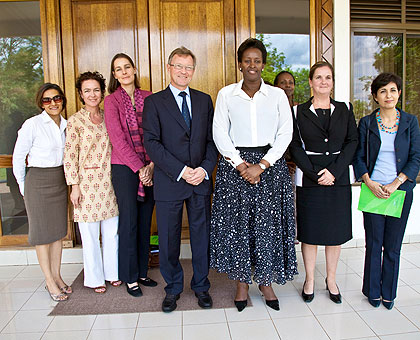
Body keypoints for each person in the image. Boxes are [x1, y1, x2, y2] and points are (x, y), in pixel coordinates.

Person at [210, 38, 298, 312]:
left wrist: (262, 165)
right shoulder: (226, 94)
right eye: (247, 60)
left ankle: (266, 281)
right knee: (238, 228)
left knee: (267, 227)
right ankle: (241, 284)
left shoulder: (277, 95)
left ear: (263, 64)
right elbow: (219, 133)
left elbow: (286, 132)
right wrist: (241, 165)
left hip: (269, 167)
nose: (252, 65)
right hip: (234, 167)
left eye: (257, 60)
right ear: (239, 64)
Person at [143, 46, 218, 313]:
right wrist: (181, 170)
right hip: (170, 181)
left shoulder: (204, 100)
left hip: (200, 182)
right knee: (168, 239)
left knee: (201, 237)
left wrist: (204, 169)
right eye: (178, 66)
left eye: (188, 67)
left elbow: (212, 141)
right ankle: (172, 288)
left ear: (193, 70)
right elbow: (151, 143)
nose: (183, 71)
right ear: (169, 68)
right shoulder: (154, 102)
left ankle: (201, 286)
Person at [289, 61, 358, 304]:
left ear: (332, 82)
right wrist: (314, 173)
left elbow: (352, 142)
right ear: (310, 81)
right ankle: (310, 279)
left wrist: (335, 172)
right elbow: (294, 146)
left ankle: (331, 279)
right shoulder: (298, 111)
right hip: (310, 180)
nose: (323, 82)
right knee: (310, 232)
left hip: (338, 179)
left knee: (335, 232)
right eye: (318, 77)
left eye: (328, 77)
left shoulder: (345, 108)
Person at [353, 73, 420, 310]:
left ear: (399, 93)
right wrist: (369, 182)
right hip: (372, 189)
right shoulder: (367, 123)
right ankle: (372, 290)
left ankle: (388, 292)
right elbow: (358, 157)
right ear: (375, 96)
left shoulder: (410, 122)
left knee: (392, 245)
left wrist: (396, 183)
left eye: (392, 90)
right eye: (382, 91)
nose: (388, 95)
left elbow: (415, 158)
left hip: (399, 191)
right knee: (374, 243)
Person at [13, 83, 71, 301]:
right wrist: (23, 187)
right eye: (47, 100)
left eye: (56, 98)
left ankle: (57, 276)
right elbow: (19, 157)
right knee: (42, 235)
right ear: (41, 103)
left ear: (62, 100)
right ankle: (49, 282)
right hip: (37, 182)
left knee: (57, 233)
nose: (53, 103)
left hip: (59, 180)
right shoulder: (32, 125)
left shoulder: (67, 124)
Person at [104, 53, 156, 297]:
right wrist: (139, 169)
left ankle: (143, 271)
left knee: (146, 221)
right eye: (118, 69)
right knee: (130, 222)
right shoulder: (111, 101)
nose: (124, 72)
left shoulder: (149, 97)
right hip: (125, 169)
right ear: (114, 75)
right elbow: (117, 139)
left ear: (134, 70)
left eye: (127, 67)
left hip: (152, 167)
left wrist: (152, 165)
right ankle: (130, 276)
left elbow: (159, 133)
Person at [64, 71, 120, 293]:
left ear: (102, 91)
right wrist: (74, 186)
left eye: (96, 90)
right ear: (80, 93)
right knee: (89, 235)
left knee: (111, 231)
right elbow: (69, 156)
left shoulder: (109, 116)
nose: (92, 94)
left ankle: (113, 273)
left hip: (110, 181)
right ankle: (95, 278)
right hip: (86, 184)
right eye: (87, 90)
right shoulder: (75, 121)